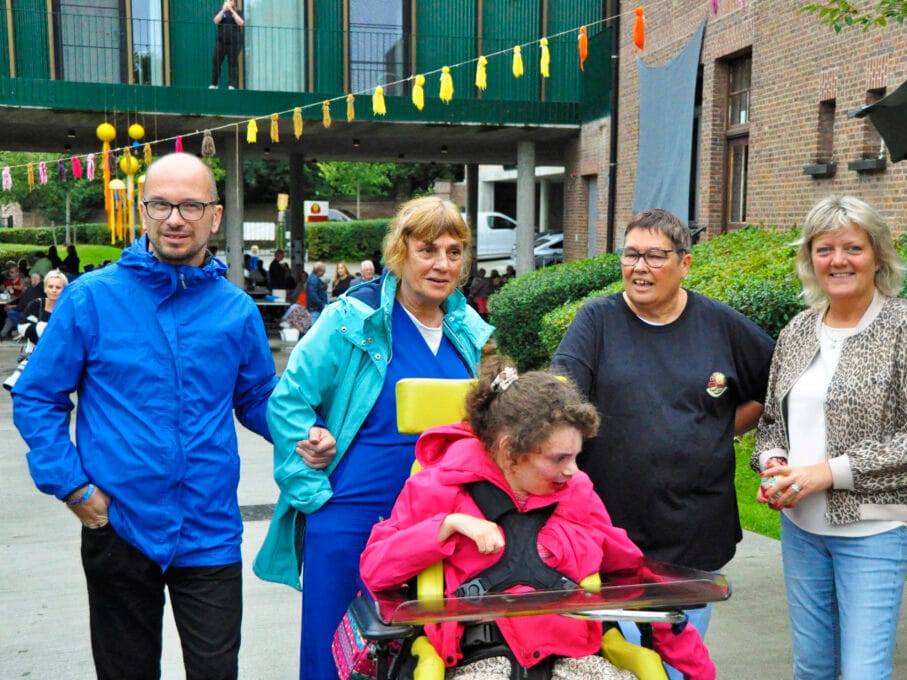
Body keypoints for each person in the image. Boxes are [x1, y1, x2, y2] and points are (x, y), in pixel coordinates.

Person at [11, 153, 335, 680]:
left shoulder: (235, 310)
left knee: (216, 671)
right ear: (142, 212)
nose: (175, 219)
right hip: (118, 524)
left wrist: (304, 432)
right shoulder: (91, 300)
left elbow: (256, 396)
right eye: (160, 205)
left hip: (209, 529)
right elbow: (37, 396)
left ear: (215, 216)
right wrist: (74, 488)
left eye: (191, 206)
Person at [254, 196, 493, 680]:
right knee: (337, 660)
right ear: (400, 252)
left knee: (426, 657)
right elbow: (288, 402)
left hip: (436, 527)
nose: (442, 264)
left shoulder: (467, 328)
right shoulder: (351, 319)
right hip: (352, 518)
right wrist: (313, 486)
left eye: (454, 252)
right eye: (428, 250)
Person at [360, 359, 715, 680]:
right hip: (480, 659)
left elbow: (631, 575)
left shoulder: (577, 491)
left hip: (575, 657)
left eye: (576, 456)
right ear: (509, 451)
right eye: (558, 459)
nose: (572, 470)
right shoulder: (437, 487)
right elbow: (376, 570)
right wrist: (446, 526)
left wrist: (698, 670)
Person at [751, 195, 907, 680]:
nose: (838, 260)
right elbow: (773, 421)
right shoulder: (798, 330)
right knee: (813, 667)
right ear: (810, 259)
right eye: (824, 249)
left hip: (874, 530)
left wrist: (827, 473)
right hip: (801, 528)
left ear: (878, 256)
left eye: (853, 248)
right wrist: (773, 461)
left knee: (863, 671)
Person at [550, 208, 775, 643]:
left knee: (679, 659)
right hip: (609, 531)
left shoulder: (720, 325)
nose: (640, 267)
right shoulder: (596, 321)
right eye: (630, 254)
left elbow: (777, 384)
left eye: (655, 256)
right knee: (622, 656)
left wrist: (722, 428)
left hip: (693, 532)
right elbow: (561, 397)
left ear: (685, 263)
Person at [21, 269, 67, 350]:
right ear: (45, 288)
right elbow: (23, 327)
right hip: (37, 350)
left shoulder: (69, 308)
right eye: (50, 286)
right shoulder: (36, 305)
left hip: (62, 352)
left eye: (58, 287)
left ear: (64, 290)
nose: (54, 290)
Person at [210, 0, 244, 90]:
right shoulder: (220, 11)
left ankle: (231, 85)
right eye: (226, 0)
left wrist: (232, 11)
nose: (228, 2)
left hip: (234, 43)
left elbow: (241, 23)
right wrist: (223, 10)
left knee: (232, 63)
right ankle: (214, 84)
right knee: (216, 61)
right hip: (221, 42)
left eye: (230, 0)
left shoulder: (238, 12)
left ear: (234, 2)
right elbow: (216, 21)